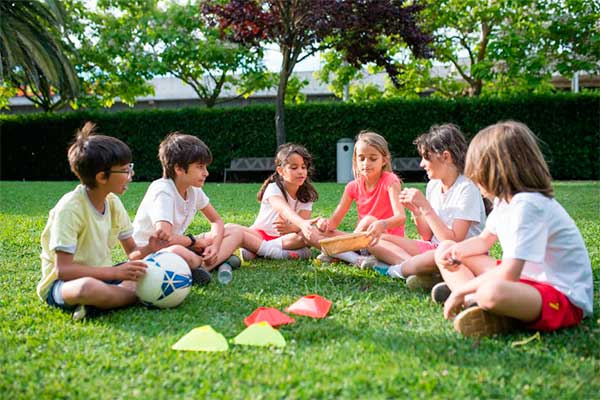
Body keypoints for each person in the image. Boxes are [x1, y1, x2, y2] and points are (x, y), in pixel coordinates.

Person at [435, 121, 593, 337]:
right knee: (445, 246)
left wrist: (463, 289)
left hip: (561, 296)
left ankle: (473, 296)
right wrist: (455, 253)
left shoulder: (528, 205)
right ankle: (475, 301)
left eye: (475, 171)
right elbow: (483, 241)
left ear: (494, 170)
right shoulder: (504, 202)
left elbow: (509, 273)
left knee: (491, 292)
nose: (471, 177)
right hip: (526, 282)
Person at [37, 122, 170, 321]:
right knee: (86, 288)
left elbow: (132, 252)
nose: (130, 175)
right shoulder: (70, 209)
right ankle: (140, 297)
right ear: (101, 177)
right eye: (125, 170)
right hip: (63, 285)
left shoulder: (113, 203)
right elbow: (63, 270)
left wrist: (150, 248)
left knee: (147, 270)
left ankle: (100, 305)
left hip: (104, 275)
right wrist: (114, 272)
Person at [371, 124, 486, 292]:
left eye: (426, 157)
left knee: (433, 256)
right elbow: (426, 235)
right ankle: (424, 272)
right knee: (375, 240)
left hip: (459, 253)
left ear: (446, 157)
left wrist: (425, 207)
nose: (421, 164)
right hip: (434, 248)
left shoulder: (467, 189)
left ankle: (399, 270)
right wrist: (416, 211)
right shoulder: (433, 185)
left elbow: (453, 241)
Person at [133, 132, 243, 281]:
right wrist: (194, 242)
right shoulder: (162, 191)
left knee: (234, 231)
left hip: (180, 245)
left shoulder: (194, 189)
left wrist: (214, 247)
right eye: (200, 167)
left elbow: (216, 221)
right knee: (178, 251)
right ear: (179, 168)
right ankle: (207, 265)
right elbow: (164, 238)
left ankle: (205, 263)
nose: (206, 173)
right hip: (151, 254)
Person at [311, 131, 406, 268]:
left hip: (386, 240)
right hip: (361, 240)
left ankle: (341, 253)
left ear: (384, 160)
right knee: (316, 232)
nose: (366, 163)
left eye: (373, 159)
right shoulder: (352, 187)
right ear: (355, 160)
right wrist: (323, 223)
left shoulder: (390, 181)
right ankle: (357, 258)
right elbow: (333, 223)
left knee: (368, 220)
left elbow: (401, 217)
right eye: (361, 158)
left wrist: (381, 224)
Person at [225, 143, 319, 261]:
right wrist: (301, 224)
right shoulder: (273, 188)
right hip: (260, 234)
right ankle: (276, 252)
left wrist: (291, 228)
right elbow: (284, 209)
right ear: (281, 171)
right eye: (294, 168)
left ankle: (262, 250)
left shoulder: (307, 194)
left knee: (306, 235)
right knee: (229, 228)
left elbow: (302, 224)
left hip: (286, 239)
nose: (300, 171)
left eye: (303, 167)